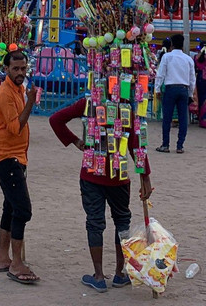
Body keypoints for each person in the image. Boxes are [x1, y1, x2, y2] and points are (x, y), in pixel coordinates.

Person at [49, 97, 154, 292]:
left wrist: (76, 141)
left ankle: (98, 276)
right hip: (118, 178)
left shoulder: (89, 104)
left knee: (95, 222)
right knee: (122, 220)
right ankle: (119, 273)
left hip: (91, 176)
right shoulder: (126, 109)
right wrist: (145, 176)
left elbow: (55, 119)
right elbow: (136, 145)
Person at [0, 50, 39, 285]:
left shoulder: (18, 89)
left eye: (23, 69)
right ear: (6, 69)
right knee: (23, 210)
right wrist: (30, 102)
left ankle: (3, 257)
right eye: (16, 69)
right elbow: (14, 128)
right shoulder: (4, 94)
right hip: (6, 157)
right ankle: (16, 263)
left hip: (17, 156)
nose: (20, 73)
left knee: (10, 208)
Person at [155, 33, 196, 153]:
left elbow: (160, 74)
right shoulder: (188, 59)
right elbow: (192, 78)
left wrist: (157, 89)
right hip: (184, 89)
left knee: (167, 118)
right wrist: (190, 93)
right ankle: (180, 146)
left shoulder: (167, 57)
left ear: (171, 44)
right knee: (183, 118)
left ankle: (165, 144)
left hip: (170, 88)